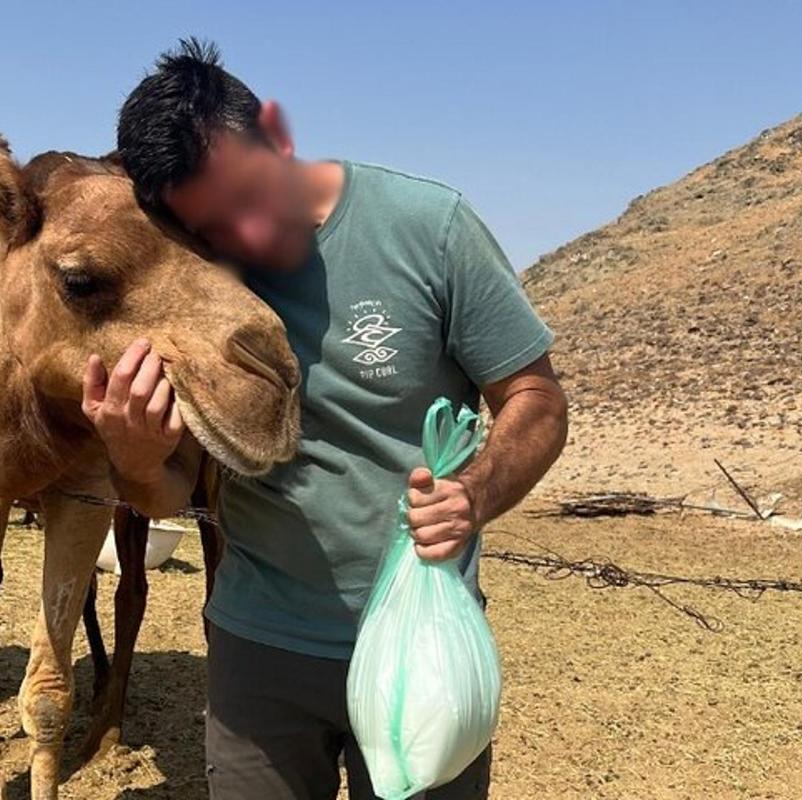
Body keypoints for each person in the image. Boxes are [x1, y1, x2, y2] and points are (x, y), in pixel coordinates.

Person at [81, 38, 569, 800]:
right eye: (214, 229)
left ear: (277, 132)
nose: (244, 240)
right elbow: (169, 498)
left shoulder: (430, 227)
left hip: (423, 650)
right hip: (258, 654)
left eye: (249, 200)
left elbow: (536, 399)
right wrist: (136, 460)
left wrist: (475, 495)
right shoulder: (189, 278)